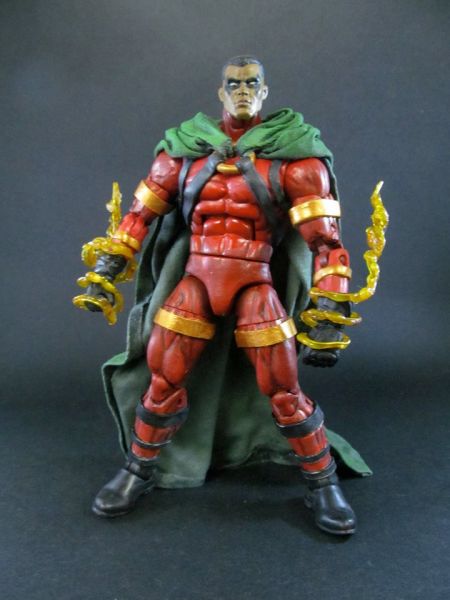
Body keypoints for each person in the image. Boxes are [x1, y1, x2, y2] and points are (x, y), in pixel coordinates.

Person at [81, 56, 358, 535]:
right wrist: (108, 265)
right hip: (197, 277)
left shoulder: (296, 158)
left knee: (284, 390)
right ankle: (137, 470)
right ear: (220, 92)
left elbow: (327, 245)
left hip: (254, 281)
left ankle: (323, 482)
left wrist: (330, 310)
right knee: (162, 378)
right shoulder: (184, 151)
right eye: (234, 84)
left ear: (265, 92)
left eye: (252, 83)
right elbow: (138, 218)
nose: (243, 91)